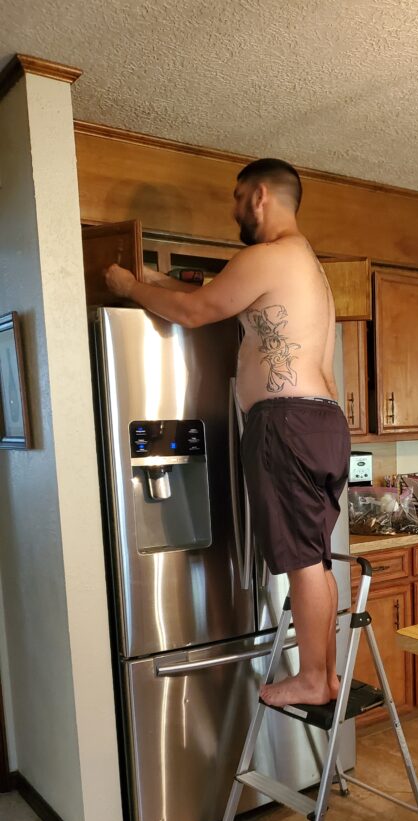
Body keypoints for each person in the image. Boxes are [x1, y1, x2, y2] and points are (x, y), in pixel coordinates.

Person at [106, 158, 351, 708]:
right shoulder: (304, 263)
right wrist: (153, 283)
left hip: (285, 423)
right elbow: (211, 297)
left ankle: (313, 678)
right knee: (314, 557)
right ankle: (326, 676)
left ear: (259, 196)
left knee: (303, 562)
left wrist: (127, 284)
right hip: (323, 423)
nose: (234, 209)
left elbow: (195, 312)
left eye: (238, 197)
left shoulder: (267, 255)